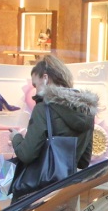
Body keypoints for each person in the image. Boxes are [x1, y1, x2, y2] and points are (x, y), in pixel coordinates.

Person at [10, 54, 98, 200]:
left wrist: (16, 138)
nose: (35, 90)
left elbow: (26, 154)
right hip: (68, 194)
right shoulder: (87, 110)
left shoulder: (44, 109)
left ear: (45, 78)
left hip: (39, 194)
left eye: (35, 84)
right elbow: (84, 161)